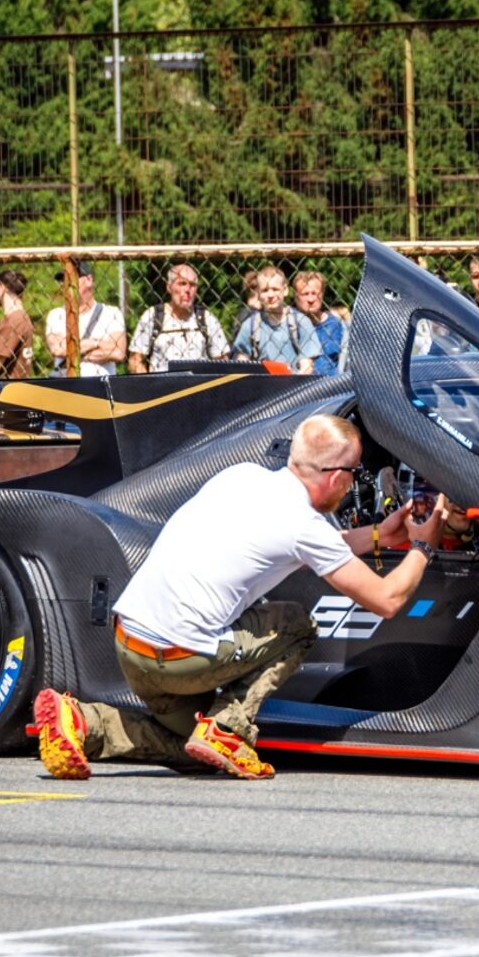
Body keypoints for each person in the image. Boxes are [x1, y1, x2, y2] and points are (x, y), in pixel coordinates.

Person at [31, 415, 448, 781]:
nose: (353, 483)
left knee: (193, 750)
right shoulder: (304, 524)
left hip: (131, 646)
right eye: (355, 473)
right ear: (337, 477)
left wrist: (377, 537)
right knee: (297, 625)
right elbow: (387, 599)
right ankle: (228, 729)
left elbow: (296, 548)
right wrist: (422, 548)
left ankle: (84, 722)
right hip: (182, 659)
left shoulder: (241, 476)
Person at [128, 264, 229, 373]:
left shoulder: (206, 319)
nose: (187, 290)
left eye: (192, 285)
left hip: (199, 385)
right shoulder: (152, 317)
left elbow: (222, 360)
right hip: (162, 386)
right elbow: (135, 359)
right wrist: (147, 386)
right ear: (169, 287)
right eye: (182, 283)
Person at [232, 266, 321, 373]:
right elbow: (242, 364)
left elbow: (306, 367)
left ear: (285, 290)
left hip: (295, 383)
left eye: (275, 289)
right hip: (262, 385)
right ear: (259, 294)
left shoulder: (301, 322)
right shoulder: (250, 325)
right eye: (265, 290)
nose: (270, 295)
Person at [44, 262, 126, 377]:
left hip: (101, 386)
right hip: (65, 387)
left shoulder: (111, 313)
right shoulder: (56, 315)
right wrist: (95, 343)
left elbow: (118, 352)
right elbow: (58, 349)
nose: (65, 284)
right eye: (63, 280)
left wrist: (72, 353)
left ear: (88, 280)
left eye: (71, 278)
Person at [292, 270, 345, 374]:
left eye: (315, 293)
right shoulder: (289, 324)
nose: (311, 299)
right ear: (296, 296)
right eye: (305, 294)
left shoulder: (336, 325)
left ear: (322, 295)